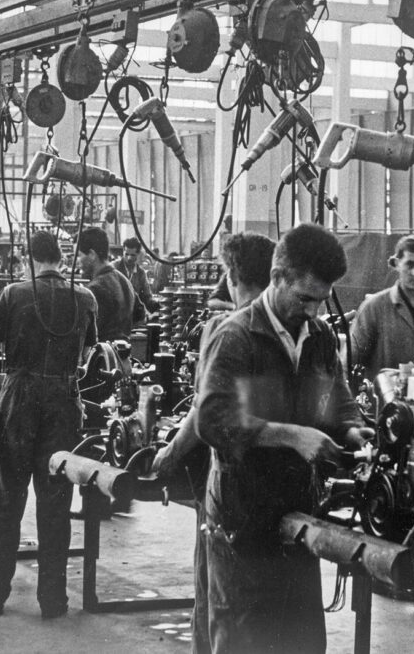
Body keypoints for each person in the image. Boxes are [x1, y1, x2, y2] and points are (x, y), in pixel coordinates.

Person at [195, 223, 372, 653]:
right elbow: (211, 419)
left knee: (302, 643)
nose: (313, 311)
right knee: (245, 639)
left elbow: (337, 398)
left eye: (321, 300)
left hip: (298, 514)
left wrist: (353, 430)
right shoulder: (236, 336)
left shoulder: (321, 337)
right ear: (277, 279)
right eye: (304, 299)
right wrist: (291, 436)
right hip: (242, 520)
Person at [153, 231, 275, 654]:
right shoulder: (288, 325)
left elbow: (202, 413)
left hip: (227, 477)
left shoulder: (224, 328)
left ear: (230, 273)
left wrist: (167, 455)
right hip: (277, 480)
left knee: (215, 581)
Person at [0, 230, 98, 618]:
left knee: (5, 500)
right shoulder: (85, 297)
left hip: (19, 398)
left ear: (31, 259)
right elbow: (87, 353)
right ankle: (53, 600)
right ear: (61, 258)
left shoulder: (14, 294)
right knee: (55, 502)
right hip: (63, 403)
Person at [351, 234, 414, 383]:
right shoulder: (373, 309)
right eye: (410, 264)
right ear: (398, 263)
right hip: (383, 402)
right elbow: (348, 361)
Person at [76, 226, 143, 341]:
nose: (76, 261)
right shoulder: (124, 281)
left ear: (92, 254)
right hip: (123, 354)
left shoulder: (95, 289)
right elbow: (140, 314)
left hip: (103, 356)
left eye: (79, 255)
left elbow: (87, 334)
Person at [117, 237, 155, 315]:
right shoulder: (114, 268)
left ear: (138, 254)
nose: (129, 258)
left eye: (132, 255)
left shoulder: (141, 273)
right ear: (123, 252)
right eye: (126, 254)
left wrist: (157, 308)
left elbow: (147, 297)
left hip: (132, 315)